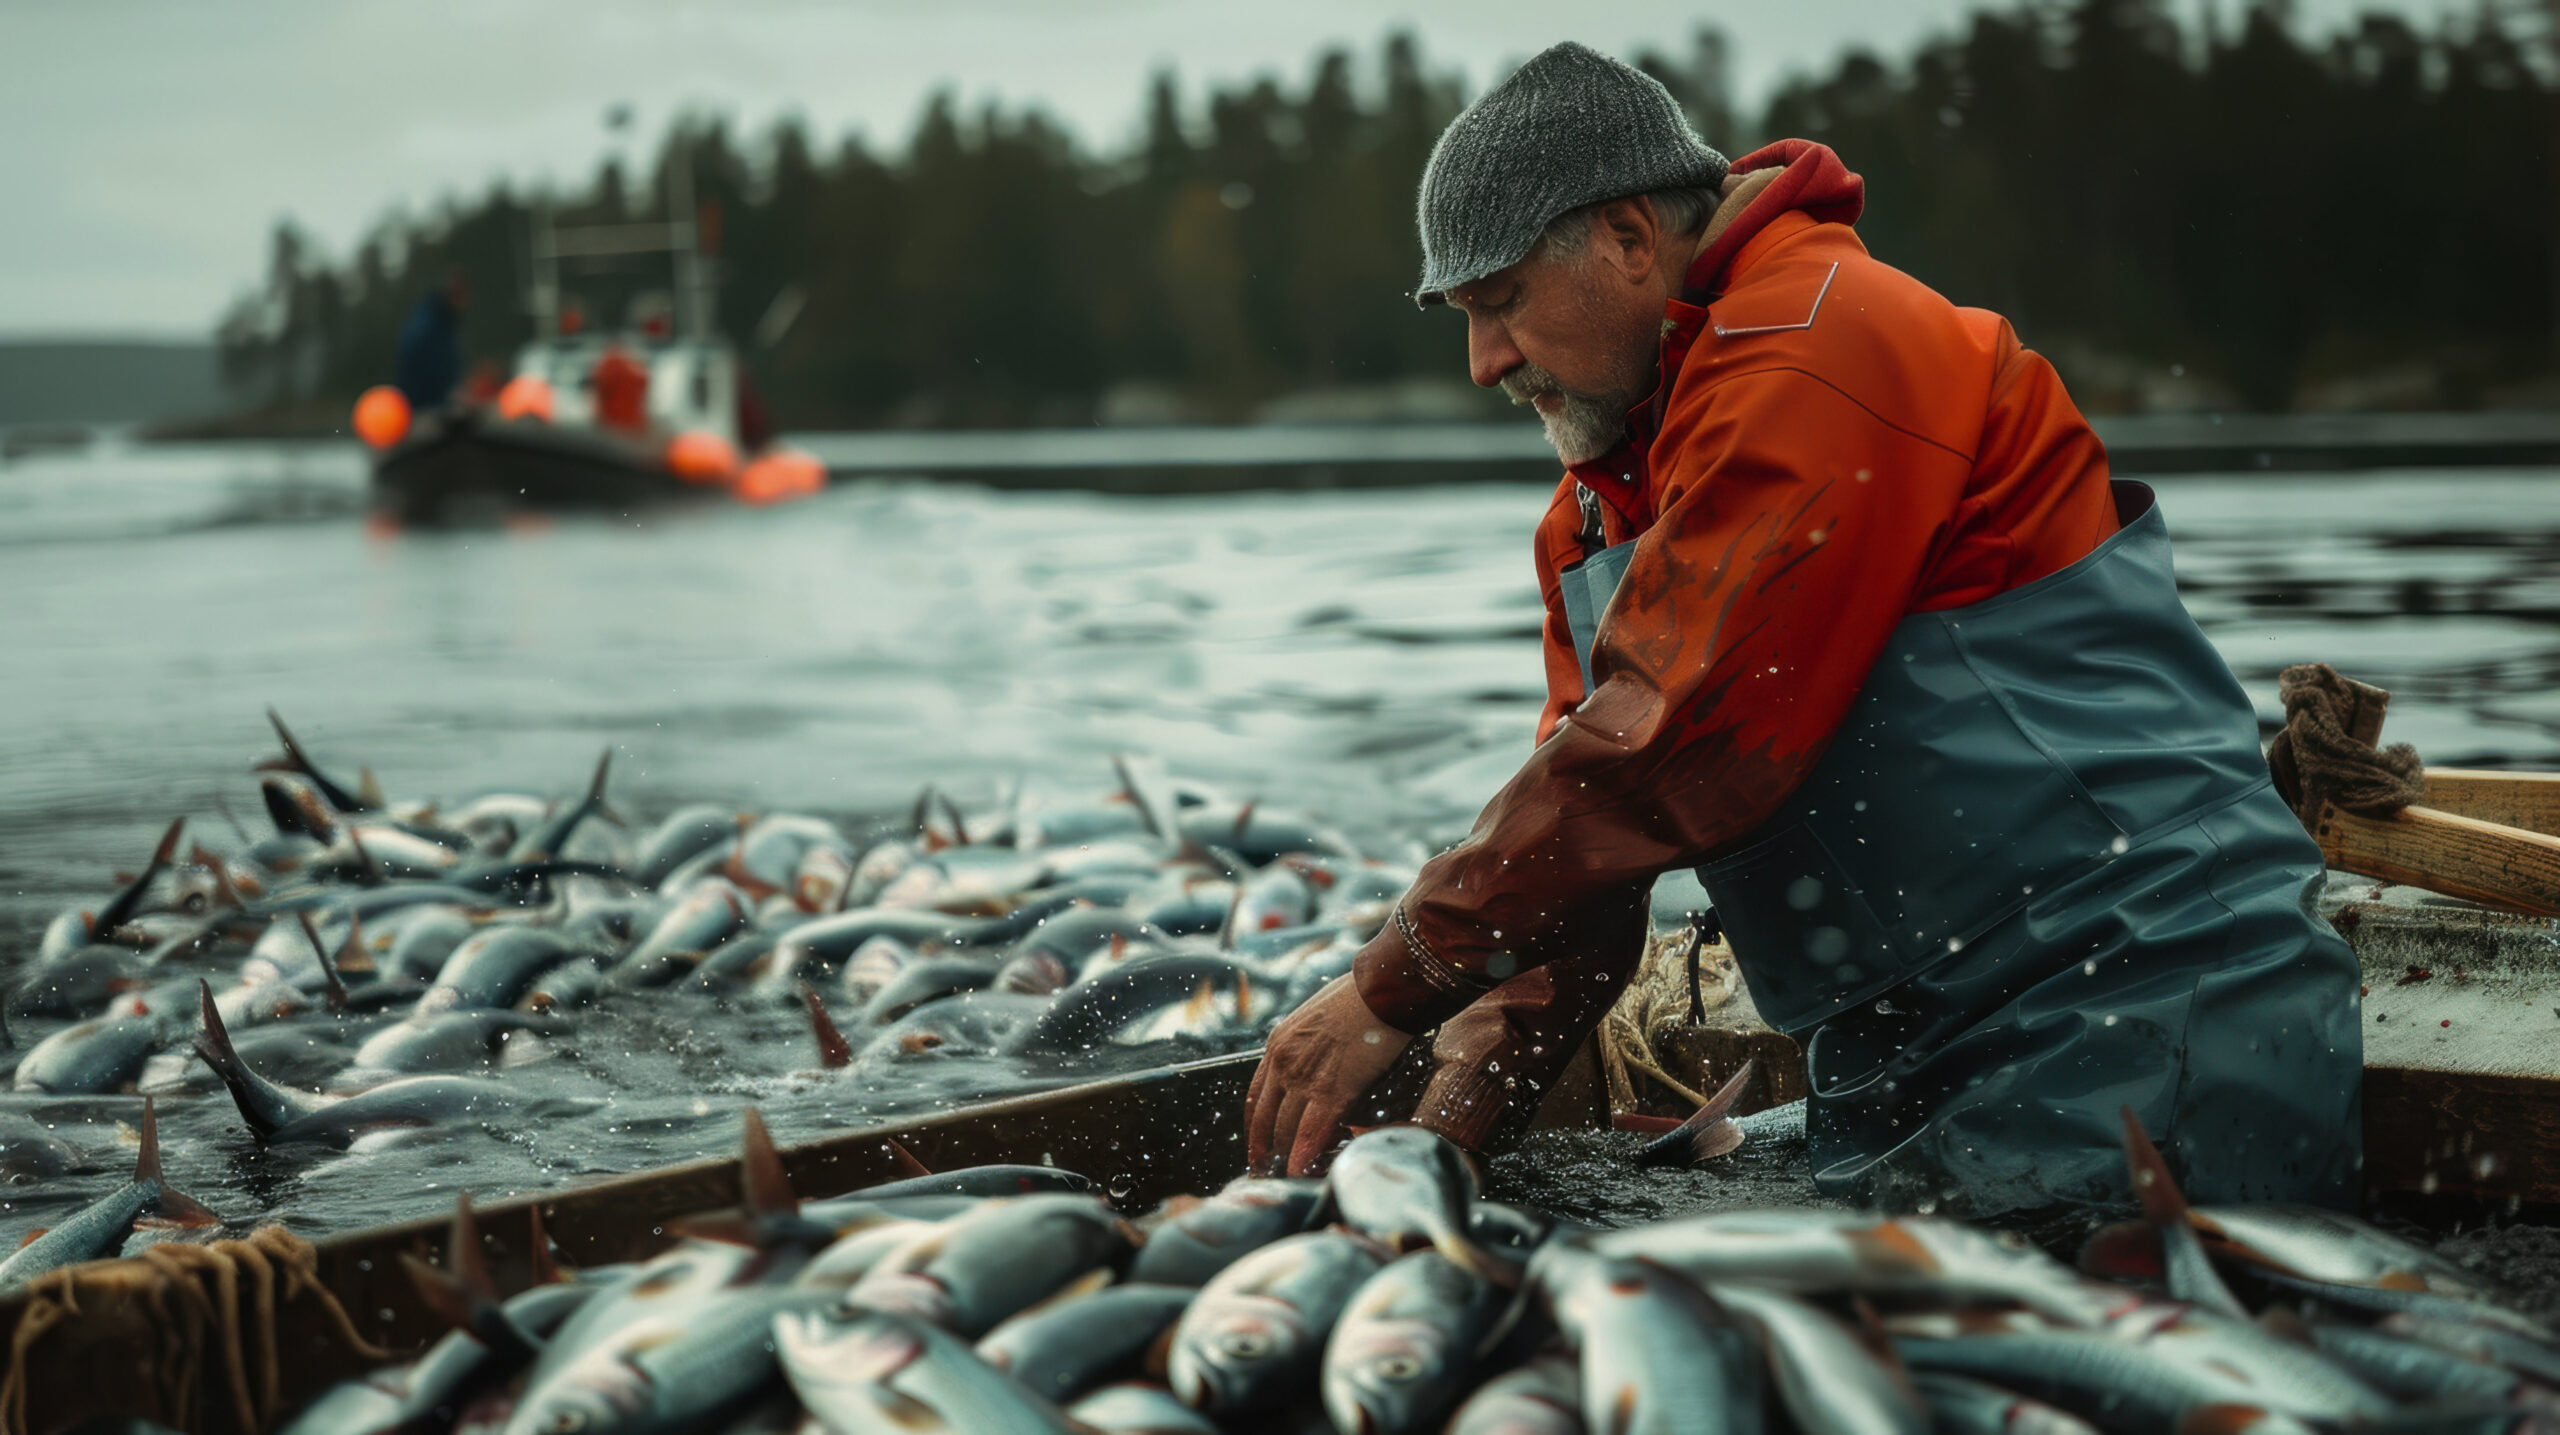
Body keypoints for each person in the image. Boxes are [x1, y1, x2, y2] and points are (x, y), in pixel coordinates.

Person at [1243, 42, 2362, 1220]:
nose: (1482, 364)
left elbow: (1667, 745)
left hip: (2141, 1010)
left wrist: (1385, 985)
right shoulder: (1596, 511)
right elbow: (1581, 867)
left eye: (1499, 302)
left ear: (1627, 238)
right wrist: (1439, 1152)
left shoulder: (1820, 352)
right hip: (1897, 1066)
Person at [393, 269, 469, 412]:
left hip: (432, 405)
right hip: (423, 409)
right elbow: (427, 370)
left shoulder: (442, 323)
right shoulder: (429, 327)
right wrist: (447, 397)